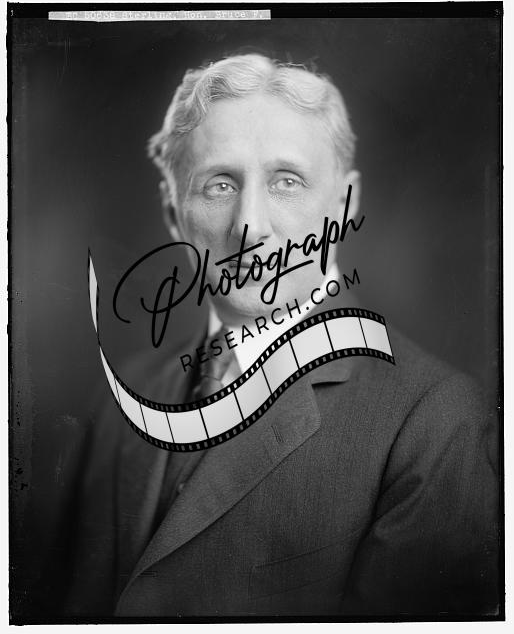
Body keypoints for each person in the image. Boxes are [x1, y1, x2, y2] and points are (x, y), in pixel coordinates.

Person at [64, 53, 499, 618]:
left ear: (344, 205)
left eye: (286, 182)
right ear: (173, 212)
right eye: (220, 184)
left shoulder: (435, 421)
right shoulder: (123, 399)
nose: (250, 226)